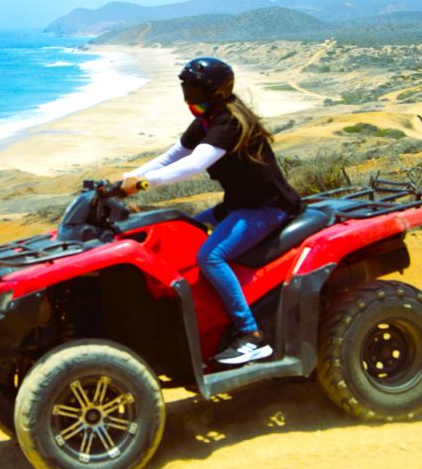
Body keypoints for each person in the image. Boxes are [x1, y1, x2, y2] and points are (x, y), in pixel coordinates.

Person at [121, 57, 303, 365]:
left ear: (214, 92)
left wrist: (142, 183)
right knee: (184, 231)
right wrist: (122, 181)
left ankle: (250, 335)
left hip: (267, 207)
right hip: (238, 204)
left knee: (210, 255)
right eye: (186, 88)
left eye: (193, 89)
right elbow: (173, 155)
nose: (188, 96)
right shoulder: (207, 119)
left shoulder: (229, 121)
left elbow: (195, 163)